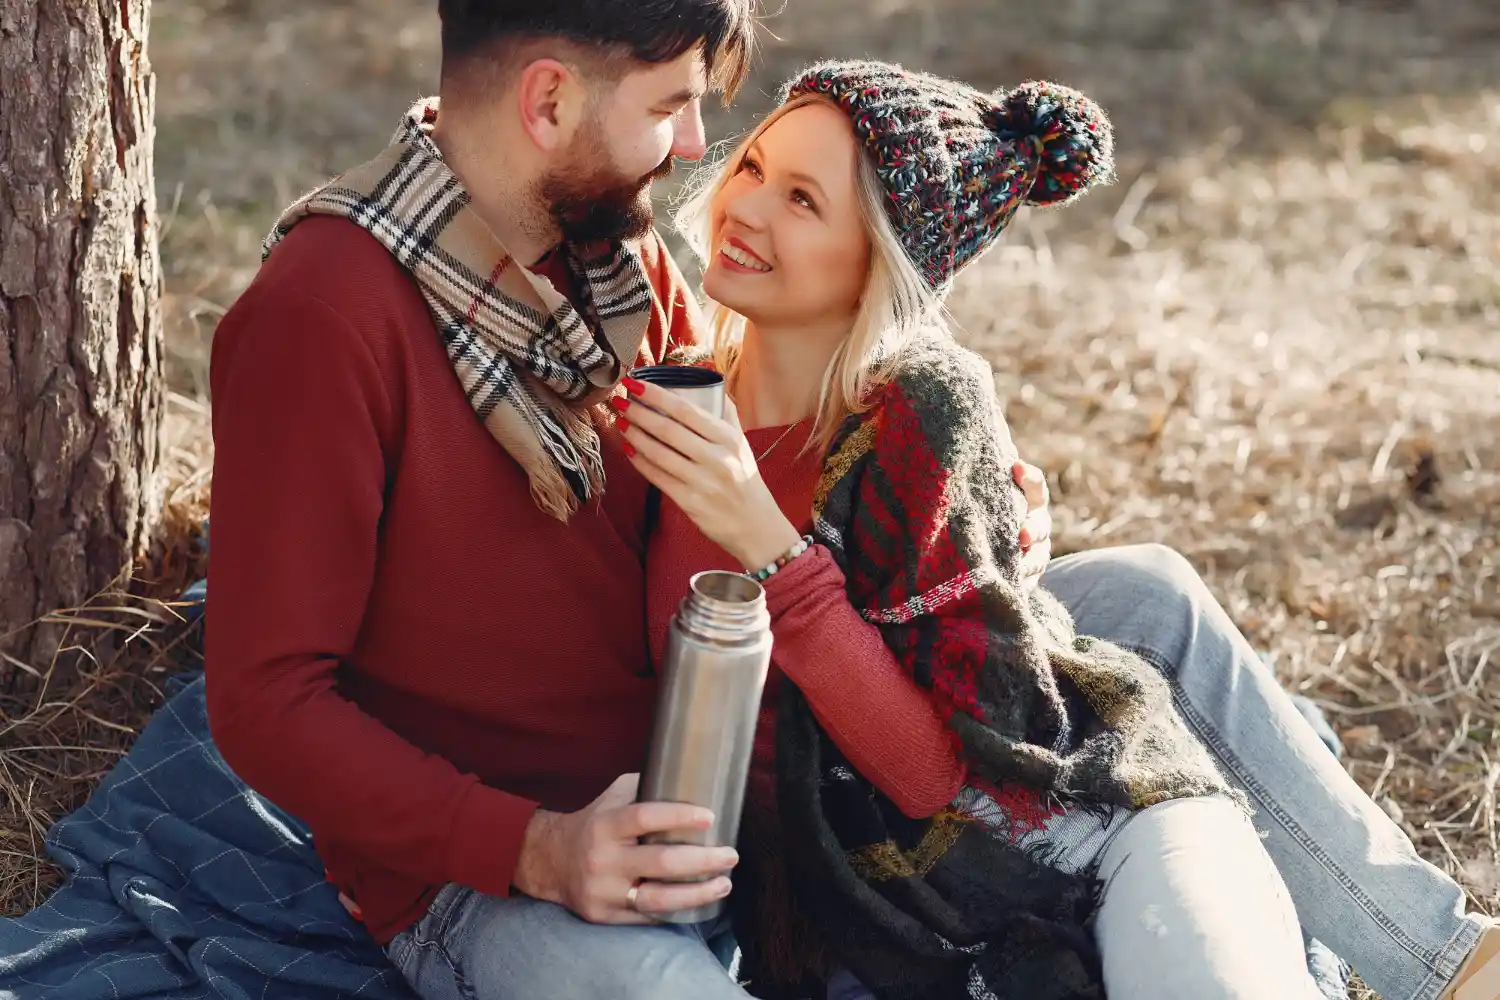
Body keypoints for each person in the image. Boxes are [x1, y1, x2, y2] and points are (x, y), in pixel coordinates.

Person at [202, 4, 1497, 1000]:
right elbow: (265, 704)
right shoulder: (322, 320)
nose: (703, 152)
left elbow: (760, 435)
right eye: (672, 107)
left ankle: (1441, 959)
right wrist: (537, 848)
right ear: (549, 99)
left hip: (732, 725)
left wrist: (962, 511)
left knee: (1143, 598)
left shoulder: (610, 251)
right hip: (506, 860)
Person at [615, 61, 1500, 1000]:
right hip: (811, 856)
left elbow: (931, 757)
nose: (746, 207)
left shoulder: (906, 411)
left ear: (881, 263)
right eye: (753, 167)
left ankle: (1448, 964)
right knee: (1148, 598)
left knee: (1151, 602)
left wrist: (801, 540)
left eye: (802, 199)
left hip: (938, 780)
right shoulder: (670, 387)